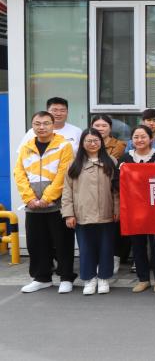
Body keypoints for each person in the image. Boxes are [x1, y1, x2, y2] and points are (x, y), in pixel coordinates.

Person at [15, 111, 76, 293]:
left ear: (52, 124)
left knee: (62, 242)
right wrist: (29, 198)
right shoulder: (26, 147)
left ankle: (66, 277)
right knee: (36, 242)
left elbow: (63, 174)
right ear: (32, 126)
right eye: (37, 123)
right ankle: (41, 278)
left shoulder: (64, 145)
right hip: (33, 205)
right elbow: (19, 174)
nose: (41, 127)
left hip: (57, 205)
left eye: (46, 123)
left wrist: (47, 198)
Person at [61, 129, 119, 296]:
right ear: (82, 143)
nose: (93, 144)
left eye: (96, 140)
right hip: (82, 214)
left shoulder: (111, 162)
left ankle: (103, 278)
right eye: (89, 141)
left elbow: (116, 190)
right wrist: (69, 214)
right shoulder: (74, 164)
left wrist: (117, 209)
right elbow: (67, 191)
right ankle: (89, 279)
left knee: (106, 248)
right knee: (86, 249)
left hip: (106, 213)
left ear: (101, 142)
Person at [119, 125, 155, 293]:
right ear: (131, 140)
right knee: (138, 245)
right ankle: (143, 279)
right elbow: (117, 183)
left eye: (143, 137)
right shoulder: (125, 158)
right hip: (134, 209)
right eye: (136, 137)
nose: (140, 140)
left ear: (151, 139)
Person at [90, 114, 129, 273]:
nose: (100, 129)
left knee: (114, 226)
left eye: (104, 125)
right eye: (97, 125)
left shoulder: (120, 145)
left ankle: (115, 257)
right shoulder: (85, 144)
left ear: (110, 128)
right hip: (91, 191)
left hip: (112, 188)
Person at [18, 97, 83, 153]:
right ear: (47, 112)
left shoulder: (77, 132)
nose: (58, 114)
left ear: (67, 112)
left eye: (62, 110)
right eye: (54, 110)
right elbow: (22, 154)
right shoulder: (33, 132)